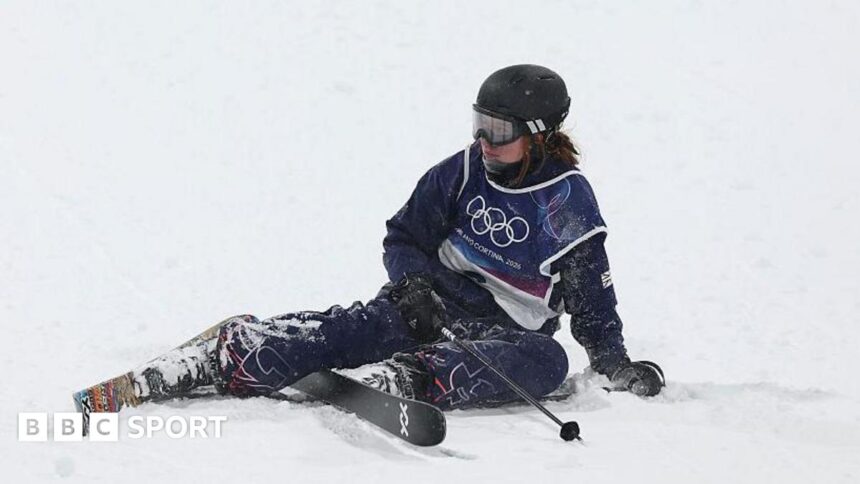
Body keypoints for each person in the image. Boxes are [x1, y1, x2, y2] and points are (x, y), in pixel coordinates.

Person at [91, 64, 664, 413]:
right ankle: (236, 351)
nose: (484, 141)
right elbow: (403, 237)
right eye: (479, 125)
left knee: (548, 361)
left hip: (503, 334)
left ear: (539, 136)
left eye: (500, 131)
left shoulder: (564, 202)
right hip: (429, 306)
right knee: (355, 329)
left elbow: (592, 301)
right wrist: (412, 284)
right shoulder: (460, 172)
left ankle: (402, 379)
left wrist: (614, 363)